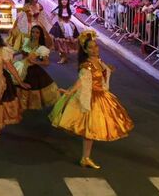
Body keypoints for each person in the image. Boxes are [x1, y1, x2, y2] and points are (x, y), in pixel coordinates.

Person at [51, 30, 134, 169]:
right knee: (90, 129)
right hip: (92, 98)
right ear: (85, 50)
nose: (94, 49)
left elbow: (101, 73)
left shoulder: (98, 61)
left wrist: (108, 70)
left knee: (92, 130)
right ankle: (85, 158)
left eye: (96, 46)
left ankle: (85, 157)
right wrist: (70, 91)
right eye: (90, 47)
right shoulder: (87, 65)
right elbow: (82, 80)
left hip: (102, 95)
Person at [14, 25, 60, 110]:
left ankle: (30, 104)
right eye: (33, 32)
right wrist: (14, 54)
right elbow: (21, 51)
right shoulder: (26, 41)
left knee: (31, 87)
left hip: (32, 70)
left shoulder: (41, 48)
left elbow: (47, 62)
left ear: (40, 34)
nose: (34, 34)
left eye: (37, 32)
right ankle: (21, 103)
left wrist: (36, 62)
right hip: (20, 66)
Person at [50, 0, 79, 64]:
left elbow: (77, 16)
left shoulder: (71, 8)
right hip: (59, 27)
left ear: (68, 1)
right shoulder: (57, 9)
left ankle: (65, 55)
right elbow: (51, 17)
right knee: (60, 42)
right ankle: (63, 56)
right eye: (62, 0)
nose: (64, 1)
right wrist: (47, 23)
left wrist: (84, 23)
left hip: (69, 26)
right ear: (60, 1)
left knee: (68, 42)